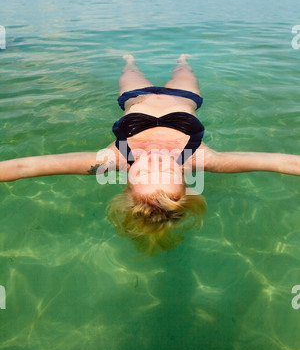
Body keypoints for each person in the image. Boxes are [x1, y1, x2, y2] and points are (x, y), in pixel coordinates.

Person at [1, 55, 299, 253]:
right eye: (169, 171)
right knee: (184, 70)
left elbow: (27, 166)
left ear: (126, 180)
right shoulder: (202, 158)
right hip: (184, 97)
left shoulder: (110, 160)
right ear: (185, 176)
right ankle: (182, 59)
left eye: (143, 171)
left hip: (136, 97)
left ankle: (129, 58)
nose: (156, 161)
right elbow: (278, 161)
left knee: (130, 70)